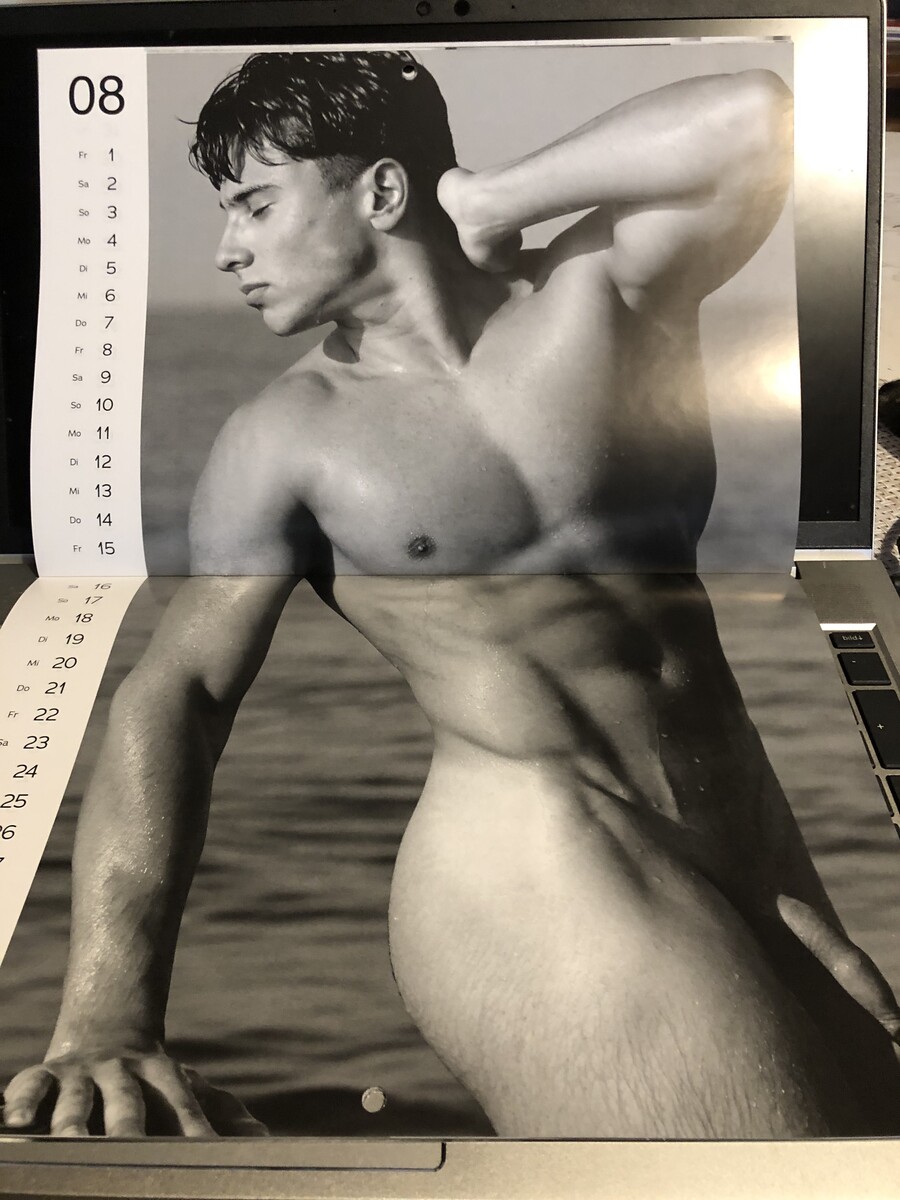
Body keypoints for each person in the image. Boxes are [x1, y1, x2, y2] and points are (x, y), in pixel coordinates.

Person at [4, 51, 900, 1139]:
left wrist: (493, 198)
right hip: (534, 854)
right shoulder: (287, 438)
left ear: (382, 191)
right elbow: (176, 695)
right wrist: (110, 1014)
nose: (228, 248)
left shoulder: (603, 296)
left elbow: (758, 118)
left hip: (737, 847)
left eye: (256, 204)